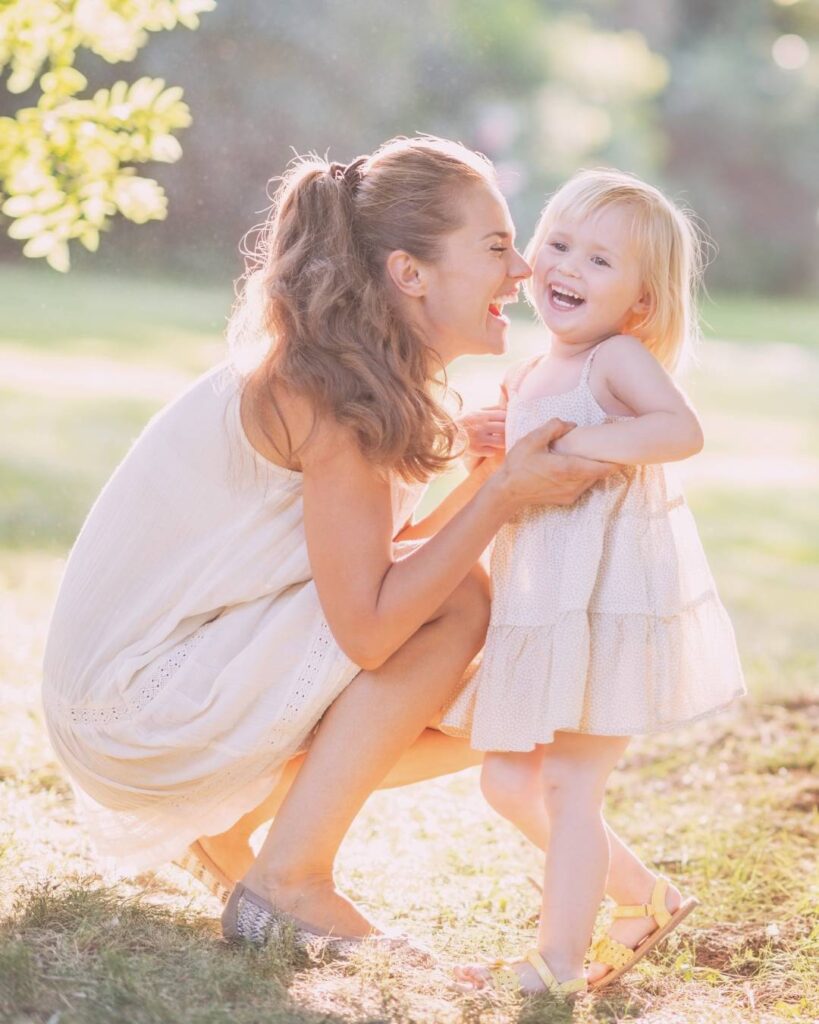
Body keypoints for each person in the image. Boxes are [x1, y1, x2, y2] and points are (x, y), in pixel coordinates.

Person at [41, 136, 618, 949]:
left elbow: (367, 567)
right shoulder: (329, 393)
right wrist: (497, 495)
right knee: (461, 605)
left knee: (503, 694)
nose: (520, 270)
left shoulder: (359, 373)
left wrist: (474, 472)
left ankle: (238, 827)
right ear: (408, 273)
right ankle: (290, 881)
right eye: (495, 247)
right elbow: (372, 628)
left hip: (139, 686)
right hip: (132, 704)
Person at [447, 169, 745, 995]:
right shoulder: (536, 366)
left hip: (607, 604)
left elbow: (678, 431)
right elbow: (520, 462)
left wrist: (580, 447)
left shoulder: (616, 358)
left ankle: (556, 963)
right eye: (559, 245)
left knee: (569, 785)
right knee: (507, 781)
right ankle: (645, 898)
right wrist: (491, 434)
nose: (567, 268)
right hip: (544, 603)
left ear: (640, 303)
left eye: (600, 261)